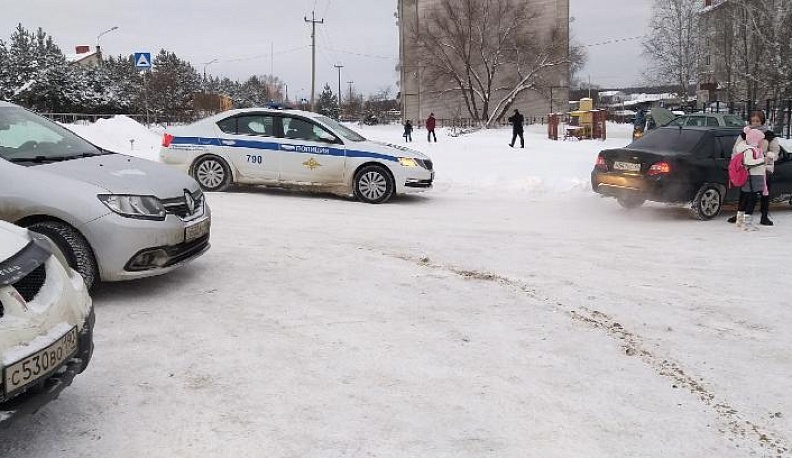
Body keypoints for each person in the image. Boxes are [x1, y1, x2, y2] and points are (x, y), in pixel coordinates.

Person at [727, 111, 780, 226]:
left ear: (762, 121)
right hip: (747, 168)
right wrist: (738, 162)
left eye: (757, 121)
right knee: (744, 193)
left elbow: (775, 151)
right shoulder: (745, 134)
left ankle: (764, 216)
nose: (755, 123)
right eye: (753, 121)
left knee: (764, 193)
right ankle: (739, 215)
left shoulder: (769, 135)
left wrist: (769, 158)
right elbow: (736, 149)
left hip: (764, 169)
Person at [734, 126, 767, 231]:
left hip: (753, 177)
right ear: (755, 140)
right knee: (751, 200)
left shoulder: (754, 149)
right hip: (752, 178)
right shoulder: (750, 150)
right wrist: (762, 160)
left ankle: (740, 221)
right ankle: (747, 224)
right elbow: (749, 162)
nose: (763, 142)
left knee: (745, 198)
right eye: (761, 140)